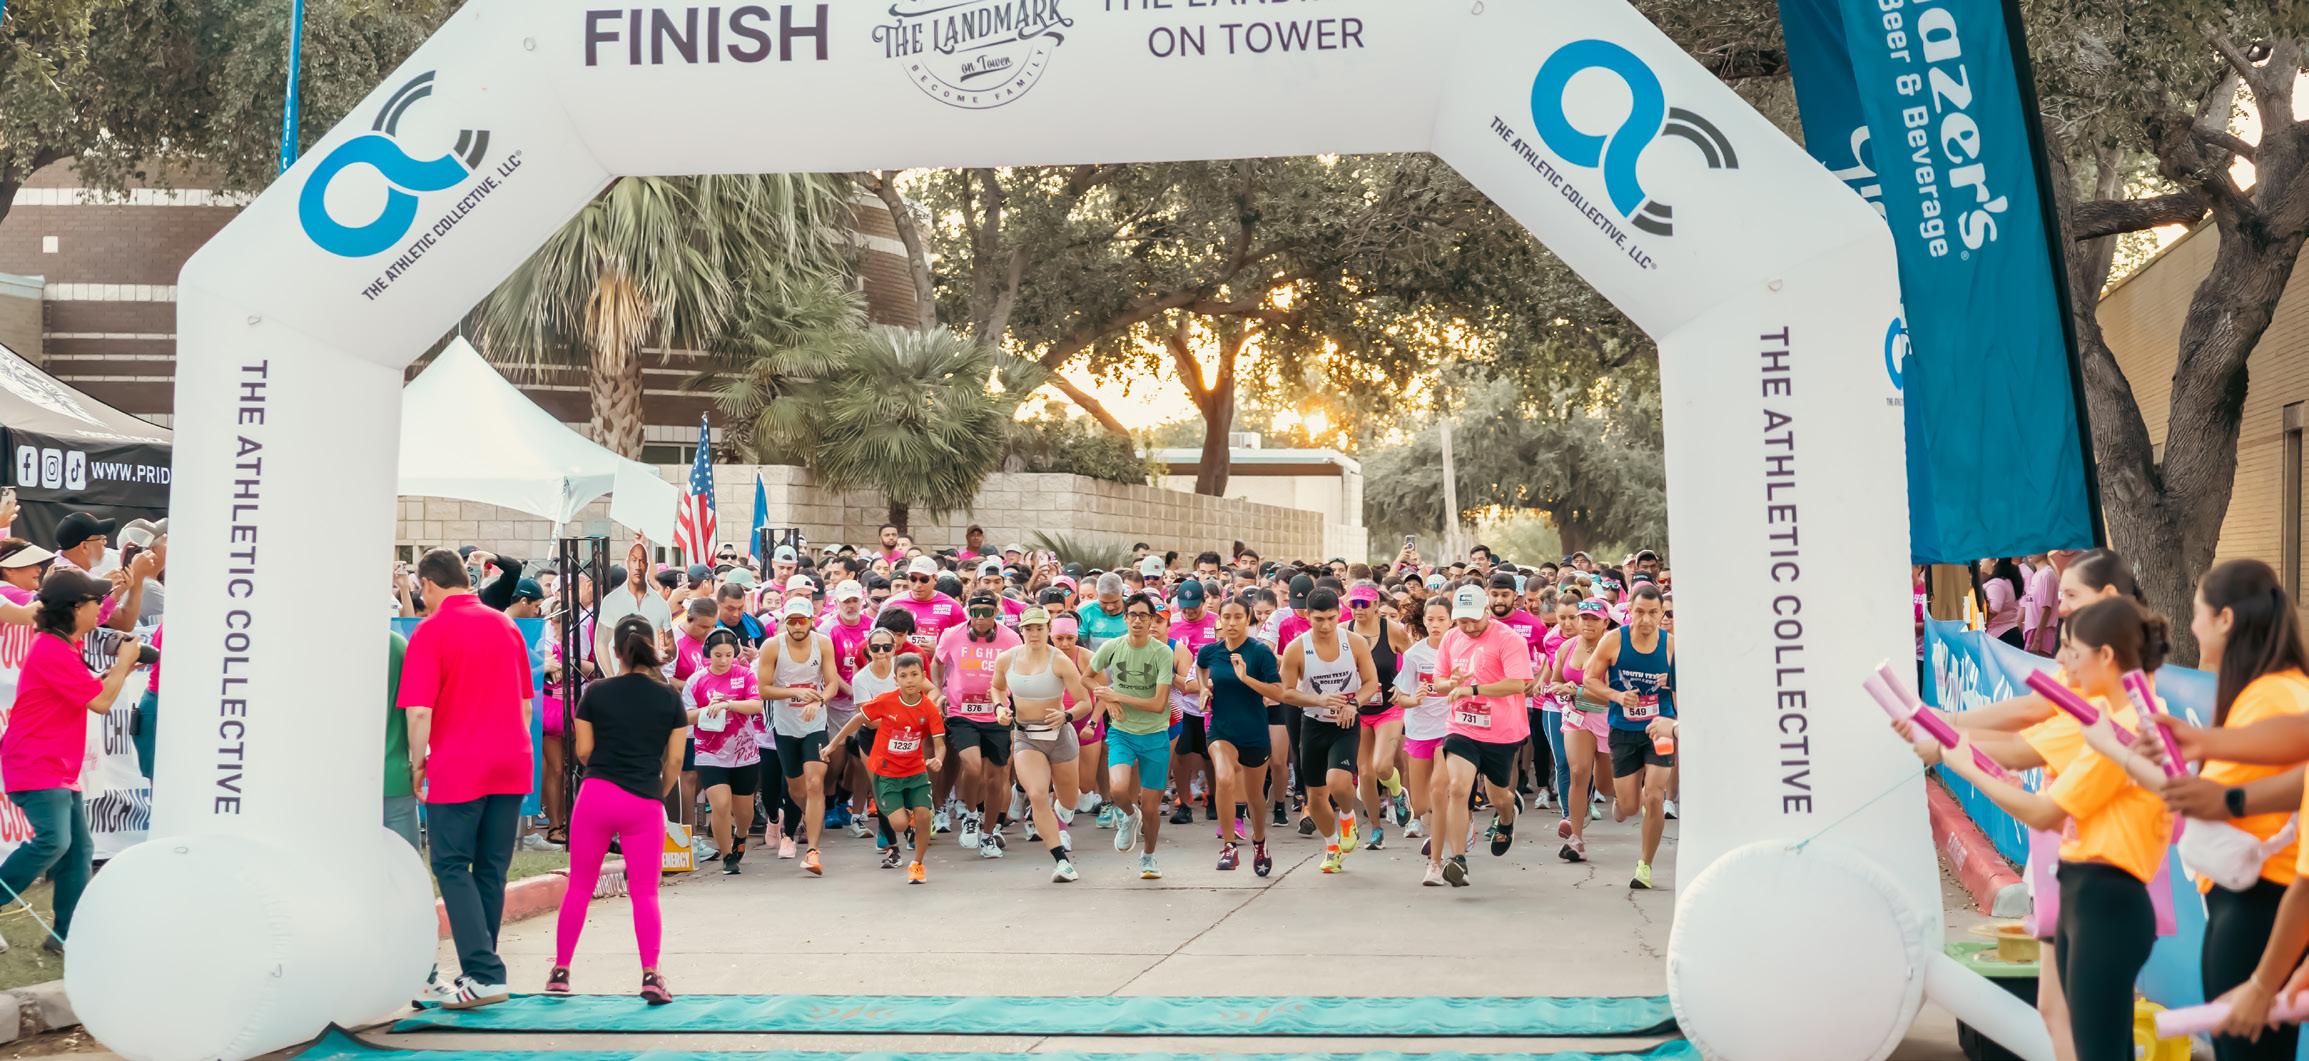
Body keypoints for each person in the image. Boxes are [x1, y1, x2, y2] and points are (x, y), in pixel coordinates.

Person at [1919, 598, 2172, 1060]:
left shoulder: (2122, 726)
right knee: (2087, 1037)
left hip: (2107, 898)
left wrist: (1960, 758)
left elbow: (2042, 811)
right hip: (2089, 892)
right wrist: (1952, 741)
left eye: (2072, 651)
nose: (2061, 661)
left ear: (2106, 656)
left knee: (2096, 1046)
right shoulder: (2107, 720)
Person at [2133, 561, 2309, 1059]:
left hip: (2262, 909)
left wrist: (2226, 798)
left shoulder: (2277, 692)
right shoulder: (2267, 691)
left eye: (2197, 613)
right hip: (2255, 906)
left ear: (2225, 619)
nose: (2192, 627)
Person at [397, 548, 535, 1009]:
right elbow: (525, 705)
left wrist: (418, 762)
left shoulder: (431, 630)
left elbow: (419, 711)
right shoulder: (505, 624)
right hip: (511, 759)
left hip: (459, 763)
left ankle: (485, 973)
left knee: (452, 865)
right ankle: (481, 972)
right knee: (491, 870)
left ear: (427, 583)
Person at [547, 615, 687, 1004]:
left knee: (579, 886)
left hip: (597, 795)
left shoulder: (595, 692)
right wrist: (657, 792)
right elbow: (675, 760)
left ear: (616, 651)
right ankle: (650, 974)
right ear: (651, 647)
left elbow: (584, 751)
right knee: (645, 893)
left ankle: (561, 971)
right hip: (643, 799)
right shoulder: (669, 698)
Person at [0, 571, 139, 951]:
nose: (101, 608)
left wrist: (120, 670)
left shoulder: (61, 645)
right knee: (54, 842)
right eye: (96, 601)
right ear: (77, 608)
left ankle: (67, 935)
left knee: (78, 852)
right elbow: (101, 702)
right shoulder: (52, 649)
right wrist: (123, 665)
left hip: (54, 765)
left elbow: (94, 690)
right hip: (37, 763)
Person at [1430, 584, 1533, 888]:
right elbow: (1439, 683)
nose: (1469, 627)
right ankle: (1458, 860)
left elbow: (1517, 684)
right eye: (1462, 621)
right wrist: (1451, 683)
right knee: (1458, 788)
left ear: (1487, 611)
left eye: (1474, 620)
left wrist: (1473, 689)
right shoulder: (1451, 638)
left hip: (1501, 730)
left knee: (1498, 796)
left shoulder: (1509, 639)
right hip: (1462, 727)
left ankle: (1507, 817)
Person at [1277, 588, 1378, 875]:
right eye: (1319, 619)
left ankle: (1347, 816)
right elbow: (1286, 692)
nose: (1325, 626)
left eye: (1331, 618)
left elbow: (1371, 682)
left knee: (1339, 781)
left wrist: (1354, 704)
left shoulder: (1354, 643)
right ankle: (1332, 846)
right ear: (1307, 616)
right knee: (1316, 796)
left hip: (1345, 723)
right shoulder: (1297, 648)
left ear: (1339, 615)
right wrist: (1318, 700)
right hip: (1313, 724)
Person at [1581, 583, 1675, 889]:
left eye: (1653, 613)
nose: (1646, 619)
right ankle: (1624, 804)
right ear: (1629, 611)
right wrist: (1617, 696)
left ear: (1661, 614)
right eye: (1639, 612)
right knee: (1629, 807)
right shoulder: (1613, 640)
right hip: (1623, 729)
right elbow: (1589, 679)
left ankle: (1645, 866)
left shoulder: (1671, 645)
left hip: (1660, 727)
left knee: (1655, 795)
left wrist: (1672, 680)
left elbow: (1694, 684)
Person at [992, 607, 1091, 883]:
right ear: (1021, 630)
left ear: (1048, 629)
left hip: (1059, 737)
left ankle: (1063, 809)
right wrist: (1000, 708)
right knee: (1037, 794)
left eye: (1039, 628)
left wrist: (1066, 715)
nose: (1034, 634)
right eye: (1028, 628)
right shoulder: (1007, 659)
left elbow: (1085, 702)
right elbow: (997, 688)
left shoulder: (1060, 661)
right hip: (1026, 737)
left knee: (1069, 801)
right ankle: (1062, 861)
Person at [831, 654, 946, 884]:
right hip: (887, 773)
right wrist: (834, 744)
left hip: (915, 772)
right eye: (903, 676)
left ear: (923, 677)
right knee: (900, 824)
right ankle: (907, 811)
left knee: (924, 816)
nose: (909, 680)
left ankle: (917, 864)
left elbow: (940, 744)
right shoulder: (886, 701)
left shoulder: (929, 709)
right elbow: (858, 719)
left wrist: (938, 759)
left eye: (914, 674)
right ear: (896, 680)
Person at [1090, 594, 1175, 879]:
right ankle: (1128, 815)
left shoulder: (1162, 653)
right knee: (1117, 790)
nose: (1138, 620)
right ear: (1125, 618)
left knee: (1150, 808)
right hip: (1122, 732)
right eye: (1133, 615)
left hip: (1155, 735)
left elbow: (1158, 704)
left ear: (1152, 621)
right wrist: (1107, 699)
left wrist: (1117, 696)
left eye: (1144, 616)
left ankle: (1148, 856)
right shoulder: (1112, 647)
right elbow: (1086, 677)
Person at [1197, 596, 1281, 876]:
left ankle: (1260, 842)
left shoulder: (1260, 653)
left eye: (1238, 617)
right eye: (1226, 617)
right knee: (1223, 777)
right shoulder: (1211, 651)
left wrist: (1246, 678)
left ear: (1248, 620)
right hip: (1221, 729)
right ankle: (1229, 847)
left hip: (1254, 732)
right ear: (1219, 619)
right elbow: (1201, 667)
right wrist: (1204, 689)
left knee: (1255, 796)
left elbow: (1278, 692)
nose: (1231, 623)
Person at [934, 593, 1022, 858]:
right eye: (975, 612)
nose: (980, 618)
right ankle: (971, 814)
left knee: (996, 779)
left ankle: (988, 834)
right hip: (961, 713)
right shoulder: (952, 635)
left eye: (987, 612)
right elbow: (937, 662)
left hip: (997, 713)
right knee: (971, 766)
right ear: (968, 612)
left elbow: (1019, 671)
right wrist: (939, 691)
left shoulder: (1011, 639)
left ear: (996, 612)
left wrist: (1010, 699)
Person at [761, 599, 839, 874]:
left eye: (801, 620)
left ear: (811, 621)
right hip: (785, 726)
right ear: (785, 622)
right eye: (791, 620)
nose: (796, 626)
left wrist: (819, 701)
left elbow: (832, 682)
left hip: (814, 724)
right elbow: (764, 689)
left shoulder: (823, 643)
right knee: (796, 789)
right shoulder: (772, 646)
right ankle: (811, 816)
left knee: (815, 782)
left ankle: (813, 851)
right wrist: (795, 692)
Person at [685, 629, 763, 875]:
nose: (723, 660)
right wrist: (707, 710)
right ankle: (727, 855)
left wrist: (729, 705)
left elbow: (757, 705)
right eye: (717, 655)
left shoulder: (746, 675)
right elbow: (685, 716)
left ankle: (741, 834)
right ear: (708, 653)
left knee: (744, 811)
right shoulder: (696, 680)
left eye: (728, 654)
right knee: (720, 804)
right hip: (709, 752)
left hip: (743, 752)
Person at [1551, 598, 1615, 863]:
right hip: (1577, 718)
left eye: (1594, 619)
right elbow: (1555, 680)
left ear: (1605, 622)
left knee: (1606, 785)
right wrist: (1558, 690)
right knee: (1578, 772)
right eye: (1584, 617)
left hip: (1607, 719)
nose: (1587, 623)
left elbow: (1611, 696)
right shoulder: (1567, 647)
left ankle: (1624, 798)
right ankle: (1576, 839)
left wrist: (1576, 691)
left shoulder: (1612, 649)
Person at [1348, 584, 1411, 847]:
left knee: (1382, 766)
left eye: (1364, 604)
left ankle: (1397, 792)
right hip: (1358, 709)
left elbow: (1413, 660)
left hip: (1388, 707)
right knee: (1365, 773)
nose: (1358, 609)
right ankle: (1376, 829)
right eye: (1354, 604)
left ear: (1375, 606)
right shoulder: (1344, 632)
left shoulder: (1391, 630)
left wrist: (1404, 687)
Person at [1394, 597, 1452, 856]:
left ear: (1451, 621)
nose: (1435, 624)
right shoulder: (1413, 655)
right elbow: (1400, 697)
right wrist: (1414, 700)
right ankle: (1437, 826)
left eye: (1441, 619)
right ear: (1423, 621)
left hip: (1449, 728)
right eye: (1430, 619)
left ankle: (1441, 838)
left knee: (1440, 787)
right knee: (1419, 802)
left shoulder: (1458, 651)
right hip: (1419, 729)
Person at [596, 534, 673, 676]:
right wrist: (611, 677)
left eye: (642, 561)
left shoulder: (659, 604)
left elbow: (671, 647)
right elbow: (601, 642)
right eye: (634, 560)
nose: (638, 566)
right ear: (627, 564)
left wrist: (666, 654)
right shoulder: (611, 601)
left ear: (647, 566)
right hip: (619, 680)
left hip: (651, 681)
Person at [1978, 557, 2025, 649]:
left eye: (1983, 557)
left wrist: (1980, 622)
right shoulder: (2004, 581)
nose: (1980, 560)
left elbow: (1994, 609)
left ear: (1995, 560)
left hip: (2002, 637)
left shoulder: (1996, 584)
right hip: (2009, 634)